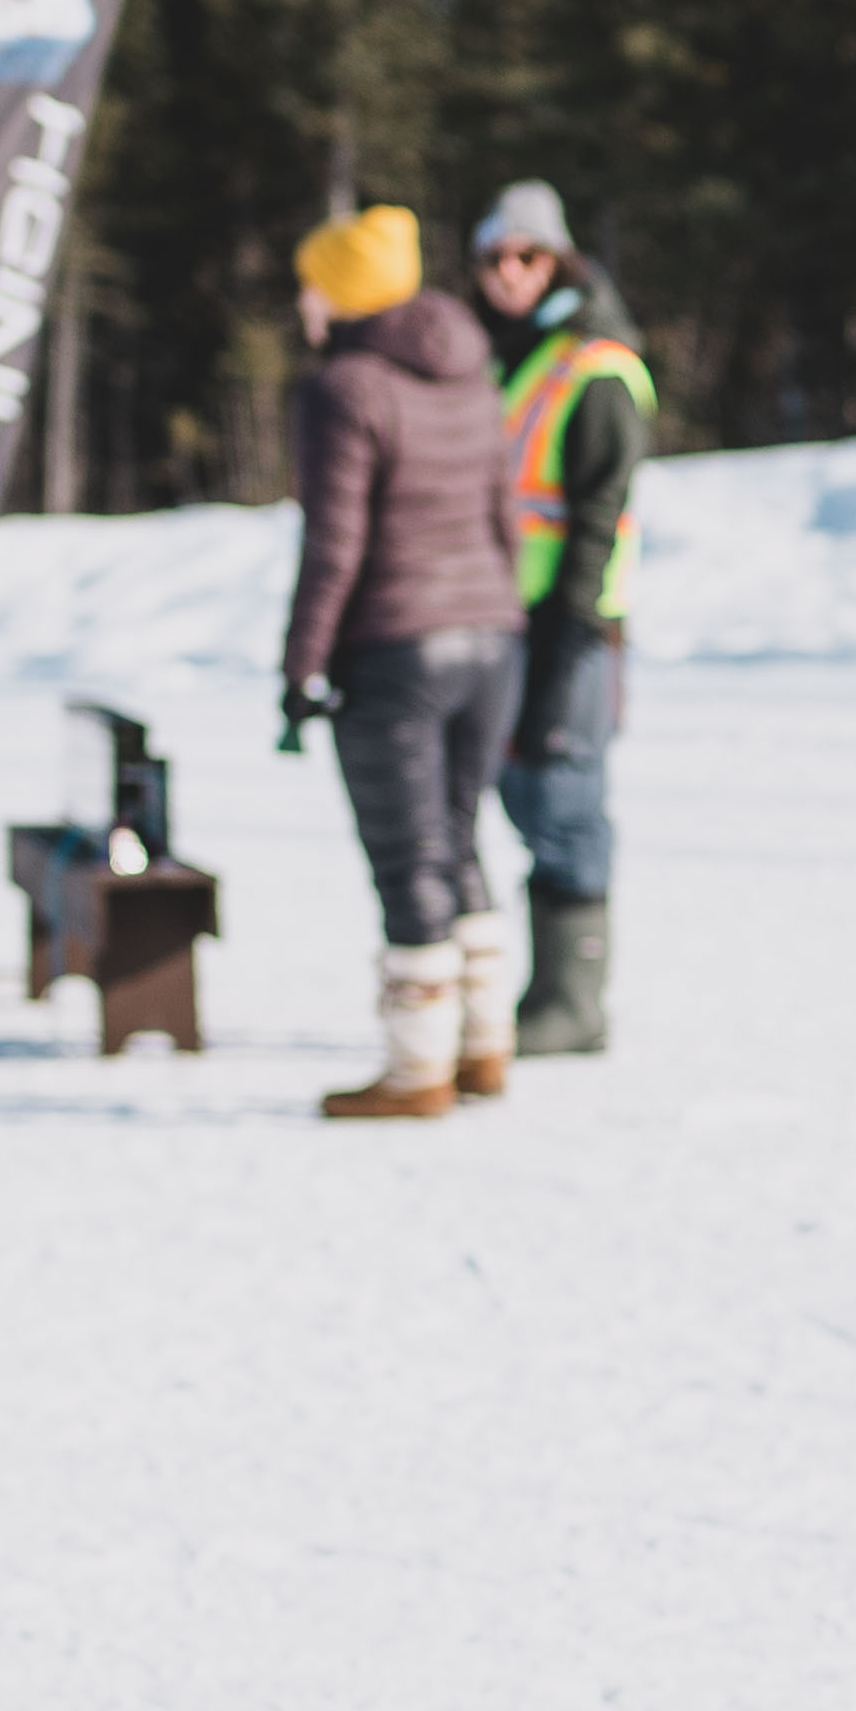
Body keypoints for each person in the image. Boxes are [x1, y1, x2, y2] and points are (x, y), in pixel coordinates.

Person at [277, 201, 526, 1119]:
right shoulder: (472, 372)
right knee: (458, 836)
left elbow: (334, 547)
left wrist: (301, 666)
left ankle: (418, 1069)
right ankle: (483, 1044)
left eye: (311, 284)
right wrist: (505, 616)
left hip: (398, 646)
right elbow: (504, 515)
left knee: (409, 855)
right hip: (491, 637)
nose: (302, 301)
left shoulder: (346, 388)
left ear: (344, 294)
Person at [469, 178, 656, 1063]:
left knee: (565, 799)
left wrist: (570, 626)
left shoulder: (596, 366)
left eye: (528, 256)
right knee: (522, 795)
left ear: (560, 261)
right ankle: (546, 992)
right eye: (495, 258)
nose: (510, 272)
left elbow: (596, 517)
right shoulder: (507, 356)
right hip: (503, 617)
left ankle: (573, 1004)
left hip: (574, 626)